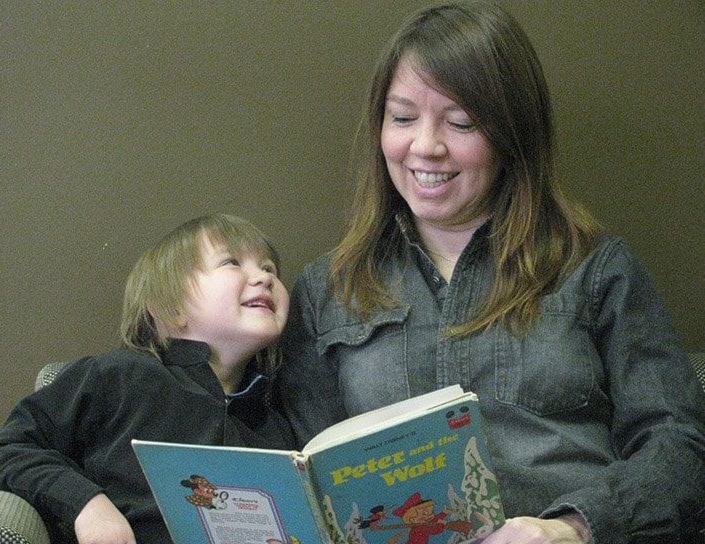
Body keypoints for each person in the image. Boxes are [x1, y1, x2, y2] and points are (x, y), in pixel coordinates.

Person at [278, 2, 705, 543]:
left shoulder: (596, 269)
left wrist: (571, 529)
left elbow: (681, 446)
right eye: (403, 117)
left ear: (512, 134)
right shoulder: (327, 290)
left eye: (461, 122)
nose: (425, 146)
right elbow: (301, 473)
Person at [0, 213, 294, 544]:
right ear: (169, 308)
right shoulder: (118, 376)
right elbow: (9, 448)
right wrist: (88, 504)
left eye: (269, 268)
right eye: (232, 262)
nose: (263, 277)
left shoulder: (275, 425)